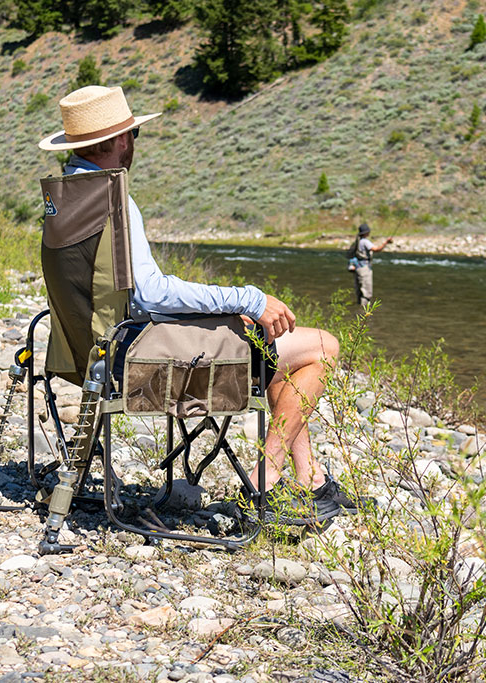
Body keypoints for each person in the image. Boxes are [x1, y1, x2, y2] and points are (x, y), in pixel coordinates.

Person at [38, 85, 362, 521]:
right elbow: (152, 294)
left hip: (96, 355)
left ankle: (310, 481)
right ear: (118, 141)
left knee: (283, 347)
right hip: (137, 363)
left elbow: (116, 296)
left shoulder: (66, 198)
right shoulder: (110, 198)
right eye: (133, 135)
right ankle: (267, 480)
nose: (134, 144)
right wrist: (246, 297)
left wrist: (224, 312)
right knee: (323, 347)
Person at [350, 222, 392, 307]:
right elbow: (376, 249)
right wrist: (386, 242)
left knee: (359, 291)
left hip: (358, 267)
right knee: (366, 292)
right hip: (364, 269)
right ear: (366, 233)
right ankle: (364, 313)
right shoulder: (365, 242)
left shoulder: (358, 241)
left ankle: (358, 312)